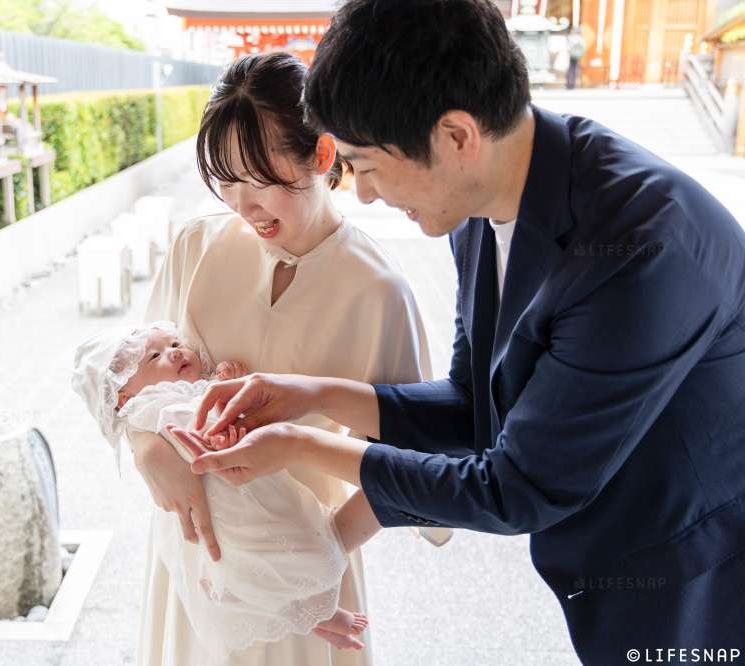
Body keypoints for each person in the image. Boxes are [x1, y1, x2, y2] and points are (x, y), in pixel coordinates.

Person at [169, 1, 745, 663]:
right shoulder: (475, 206)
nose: (363, 195)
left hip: (704, 577)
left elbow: (515, 486)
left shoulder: (641, 247)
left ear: (455, 136)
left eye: (368, 164)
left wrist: (301, 445)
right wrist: (310, 396)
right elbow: (477, 408)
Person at [127, 52, 434, 665]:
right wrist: (146, 447)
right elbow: (127, 378)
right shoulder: (197, 246)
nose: (243, 205)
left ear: (323, 157)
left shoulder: (377, 291)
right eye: (226, 182)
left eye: (260, 179)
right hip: (196, 566)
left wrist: (310, 564)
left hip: (305, 579)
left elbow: (414, 465)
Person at [72, 322, 381, 660]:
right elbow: (193, 427)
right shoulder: (151, 405)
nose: (175, 351)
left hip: (249, 487)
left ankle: (307, 614)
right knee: (289, 552)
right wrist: (221, 420)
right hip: (227, 502)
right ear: (124, 396)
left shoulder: (181, 392)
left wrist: (225, 384)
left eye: (175, 342)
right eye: (155, 356)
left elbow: (210, 410)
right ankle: (317, 614)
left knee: (284, 548)